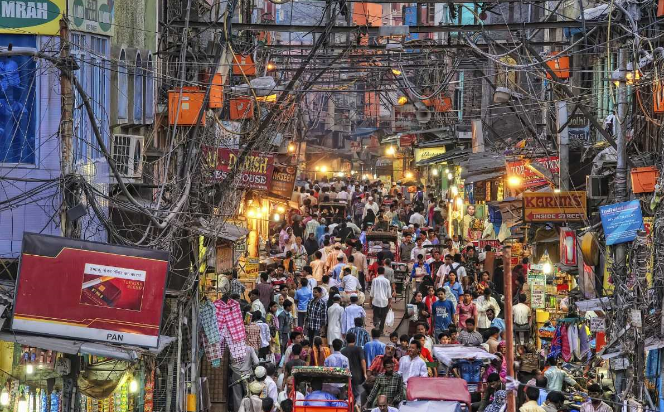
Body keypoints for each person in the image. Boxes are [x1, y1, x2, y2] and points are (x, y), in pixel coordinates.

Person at [342, 332, 367, 400]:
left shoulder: (343, 351)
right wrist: (365, 373)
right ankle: (357, 407)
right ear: (355, 340)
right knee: (359, 394)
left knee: (348, 394)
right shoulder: (359, 349)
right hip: (358, 376)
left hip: (347, 376)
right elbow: (363, 361)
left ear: (346, 340)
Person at [371, 266, 392, 335]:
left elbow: (372, 292)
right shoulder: (387, 281)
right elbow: (389, 293)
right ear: (384, 272)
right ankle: (381, 330)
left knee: (376, 314)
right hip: (384, 301)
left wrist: (370, 300)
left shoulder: (374, 280)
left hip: (376, 300)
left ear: (377, 272)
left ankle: (376, 323)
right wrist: (390, 302)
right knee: (383, 316)